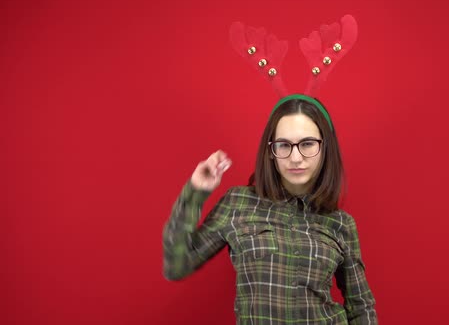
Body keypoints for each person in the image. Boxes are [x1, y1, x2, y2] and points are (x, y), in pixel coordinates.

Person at [162, 94, 378, 324]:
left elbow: (361, 306)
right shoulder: (238, 203)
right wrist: (196, 191)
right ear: (270, 151)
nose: (296, 158)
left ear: (325, 148)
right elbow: (177, 265)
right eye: (284, 145)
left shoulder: (341, 223)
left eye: (307, 144)